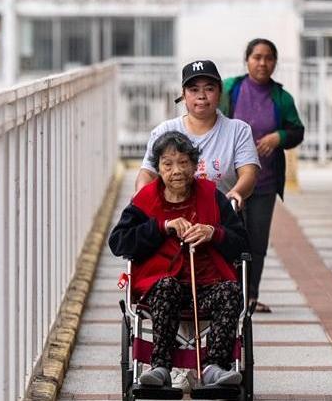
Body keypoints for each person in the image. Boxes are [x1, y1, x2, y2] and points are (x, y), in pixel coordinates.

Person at [110, 131, 249, 388]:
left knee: (230, 291)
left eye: (184, 163)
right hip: (162, 284)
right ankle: (160, 366)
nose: (176, 170)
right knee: (166, 286)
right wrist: (162, 227)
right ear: (159, 169)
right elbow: (118, 242)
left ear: (195, 166)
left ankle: (214, 367)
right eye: (168, 164)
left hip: (207, 282)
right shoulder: (145, 199)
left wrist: (213, 233)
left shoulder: (211, 194)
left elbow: (242, 242)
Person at [219, 38, 305, 314]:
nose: (262, 63)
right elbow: (212, 118)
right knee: (227, 237)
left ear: (275, 63)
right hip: (229, 182)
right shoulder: (231, 89)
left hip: (265, 184)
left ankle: (250, 297)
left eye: (269, 58)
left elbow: (297, 131)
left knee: (257, 242)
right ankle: (227, 294)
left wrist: (277, 137)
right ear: (247, 60)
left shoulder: (281, 97)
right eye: (257, 57)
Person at [135, 60, 260, 207]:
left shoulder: (239, 131)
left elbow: (249, 173)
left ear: (220, 92)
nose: (201, 96)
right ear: (183, 95)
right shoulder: (164, 131)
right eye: (194, 89)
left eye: (209, 89)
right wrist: (141, 196)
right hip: (173, 218)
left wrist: (236, 193)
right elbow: (148, 173)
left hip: (221, 217)